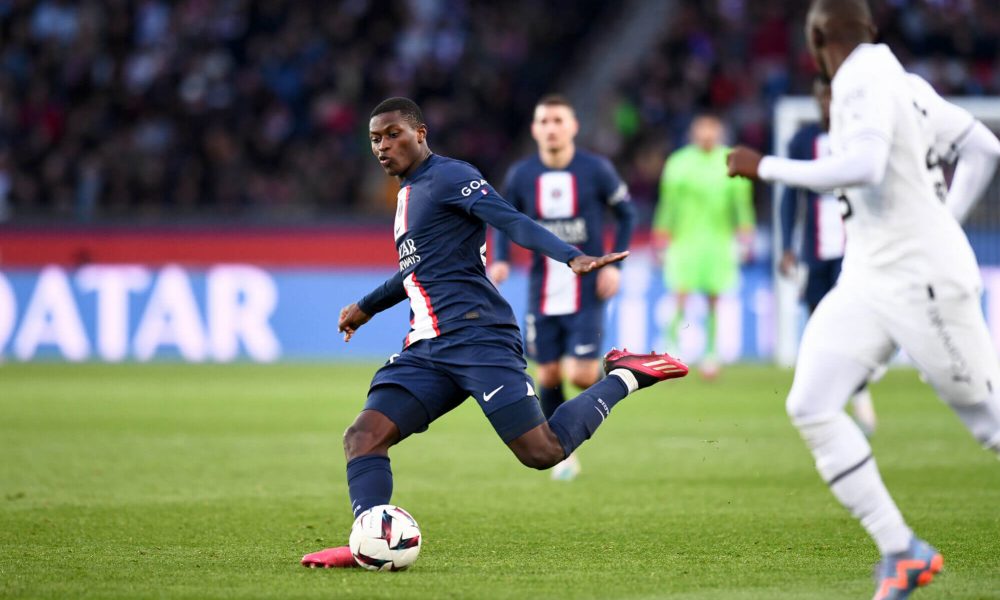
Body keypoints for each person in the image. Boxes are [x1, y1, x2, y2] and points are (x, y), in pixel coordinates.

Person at [301, 97, 689, 568]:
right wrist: (365, 307)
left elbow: (511, 219)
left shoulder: (449, 176)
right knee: (362, 436)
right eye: (375, 139)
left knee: (542, 452)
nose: (383, 146)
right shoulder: (407, 196)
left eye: (393, 134)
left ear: (420, 133)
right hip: (426, 347)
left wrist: (572, 256)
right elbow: (419, 269)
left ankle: (627, 375)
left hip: (479, 337)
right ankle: (367, 540)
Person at [728, 1, 1000, 598]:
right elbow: (983, 148)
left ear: (818, 35)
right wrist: (944, 219)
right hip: (870, 276)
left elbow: (867, 165)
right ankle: (901, 550)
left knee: (992, 424)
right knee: (812, 403)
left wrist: (766, 167)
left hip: (921, 278)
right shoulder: (904, 83)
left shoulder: (861, 77)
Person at [487, 94, 637, 481]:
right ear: (535, 129)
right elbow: (504, 219)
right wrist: (500, 259)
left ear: (572, 126)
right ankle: (563, 451)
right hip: (542, 290)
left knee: (584, 375)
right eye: (544, 122)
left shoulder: (596, 170)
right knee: (550, 375)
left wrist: (616, 264)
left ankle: (622, 379)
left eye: (558, 121)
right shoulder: (522, 175)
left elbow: (626, 212)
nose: (551, 128)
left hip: (586, 289)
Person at [778, 78, 878, 437]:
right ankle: (832, 397)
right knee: (818, 320)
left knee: (853, 320)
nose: (827, 104)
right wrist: (786, 245)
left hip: (856, 249)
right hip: (816, 249)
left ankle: (859, 390)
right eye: (822, 98)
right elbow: (791, 196)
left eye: (832, 98)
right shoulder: (804, 141)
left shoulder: (863, 139)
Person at [653, 115, 755, 379]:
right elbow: (668, 204)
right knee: (680, 293)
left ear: (719, 133)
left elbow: (741, 203)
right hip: (685, 239)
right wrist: (661, 234)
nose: (707, 136)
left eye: (712, 131)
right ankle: (670, 349)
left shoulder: (730, 160)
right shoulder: (679, 162)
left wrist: (745, 232)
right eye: (702, 131)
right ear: (693, 133)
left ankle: (711, 354)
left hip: (718, 239)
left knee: (714, 297)